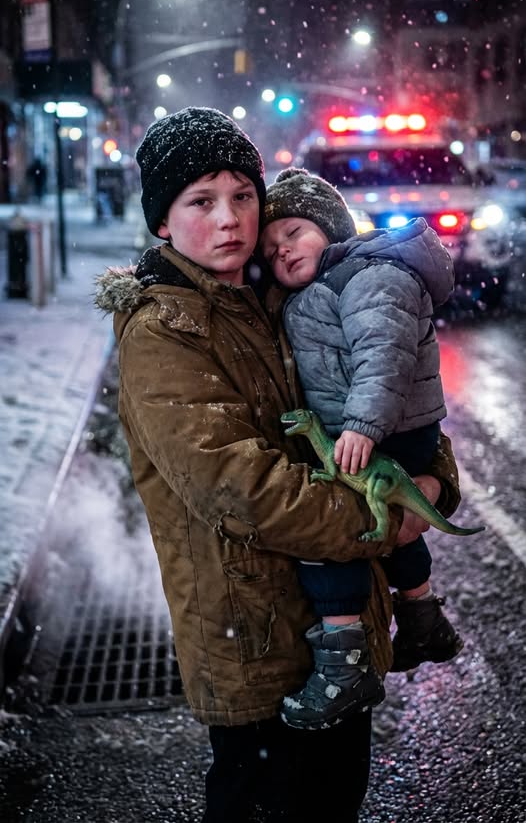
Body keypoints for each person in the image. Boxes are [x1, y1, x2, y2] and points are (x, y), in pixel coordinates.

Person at [94, 108, 461, 823]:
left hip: (337, 631)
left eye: (242, 196)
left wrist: (434, 480)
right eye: (201, 201)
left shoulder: (284, 294)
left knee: (333, 800)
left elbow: (399, 403)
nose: (229, 218)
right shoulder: (164, 331)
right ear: (162, 222)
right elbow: (243, 489)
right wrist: (387, 521)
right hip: (256, 644)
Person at [260, 165, 464, 732]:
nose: (283, 252)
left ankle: (345, 661)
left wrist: (362, 426)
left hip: (386, 428)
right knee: (391, 529)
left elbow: (384, 354)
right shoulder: (321, 287)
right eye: (272, 249)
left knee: (335, 539)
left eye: (294, 234)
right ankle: (423, 616)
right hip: (367, 428)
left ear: (330, 227)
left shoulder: (368, 275)